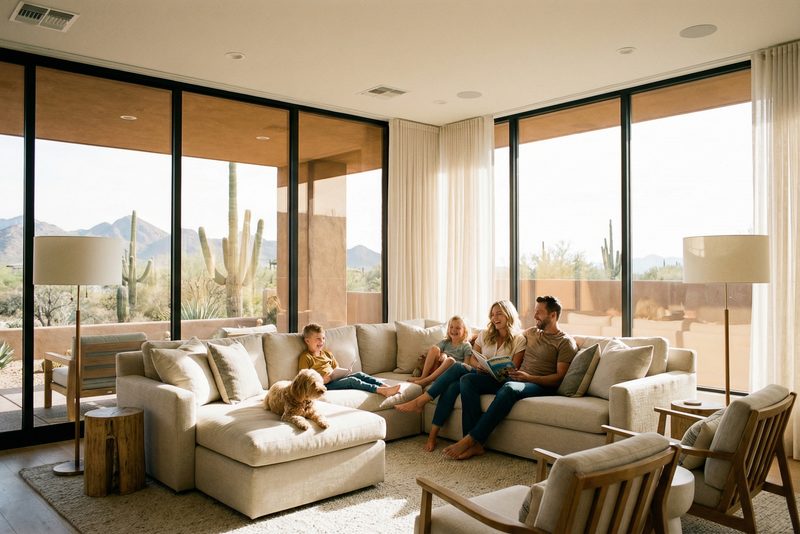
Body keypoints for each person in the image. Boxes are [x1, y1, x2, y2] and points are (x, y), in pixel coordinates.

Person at [443, 295, 578, 460]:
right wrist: (469, 338)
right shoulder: (532, 333)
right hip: (517, 378)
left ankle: (472, 439)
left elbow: (559, 378)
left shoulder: (565, 342)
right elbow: (509, 334)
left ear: (553, 315)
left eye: (539, 313)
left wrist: (530, 377)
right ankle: (473, 444)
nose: (534, 316)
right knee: (468, 380)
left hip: (539, 384)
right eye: (535, 312)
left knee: (509, 388)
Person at [395, 300, 526, 452]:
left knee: (457, 366)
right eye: (492, 314)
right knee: (452, 387)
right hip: (480, 375)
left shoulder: (519, 339)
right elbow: (473, 358)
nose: (494, 318)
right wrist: (480, 366)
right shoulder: (485, 334)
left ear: (508, 315)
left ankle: (421, 400)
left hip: (500, 381)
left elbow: (514, 367)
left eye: (499, 314)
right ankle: (452, 438)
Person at [299, 323, 400, 397]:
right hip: (325, 385)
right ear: (307, 340)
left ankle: (386, 387)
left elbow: (336, 368)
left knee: (360, 374)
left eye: (323, 338)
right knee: (352, 381)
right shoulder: (306, 357)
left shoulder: (327, 353)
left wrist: (344, 372)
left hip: (335, 379)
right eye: (318, 339)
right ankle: (380, 390)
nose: (321, 342)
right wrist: (322, 380)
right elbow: (303, 380)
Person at [408, 315, 472, 387]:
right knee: (434, 348)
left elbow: (466, 366)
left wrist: (447, 359)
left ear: (464, 331)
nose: (453, 330)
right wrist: (443, 354)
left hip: (451, 372)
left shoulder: (466, 346)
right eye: (451, 327)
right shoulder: (446, 342)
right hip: (437, 369)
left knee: (450, 360)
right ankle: (423, 376)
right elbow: (434, 353)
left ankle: (426, 381)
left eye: (458, 328)